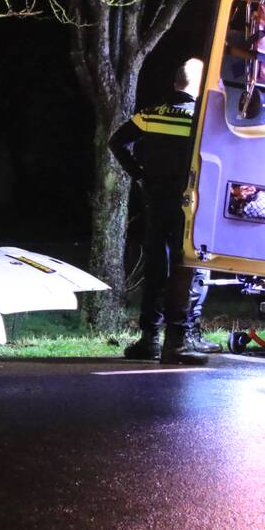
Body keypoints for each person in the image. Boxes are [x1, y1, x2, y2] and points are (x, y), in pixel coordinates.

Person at [108, 58, 222, 364]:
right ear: (199, 88)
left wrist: (141, 174)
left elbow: (117, 142)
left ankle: (150, 339)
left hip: (156, 201)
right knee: (191, 267)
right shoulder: (200, 121)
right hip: (190, 204)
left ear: (175, 83)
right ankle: (182, 338)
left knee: (157, 268)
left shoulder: (152, 113)